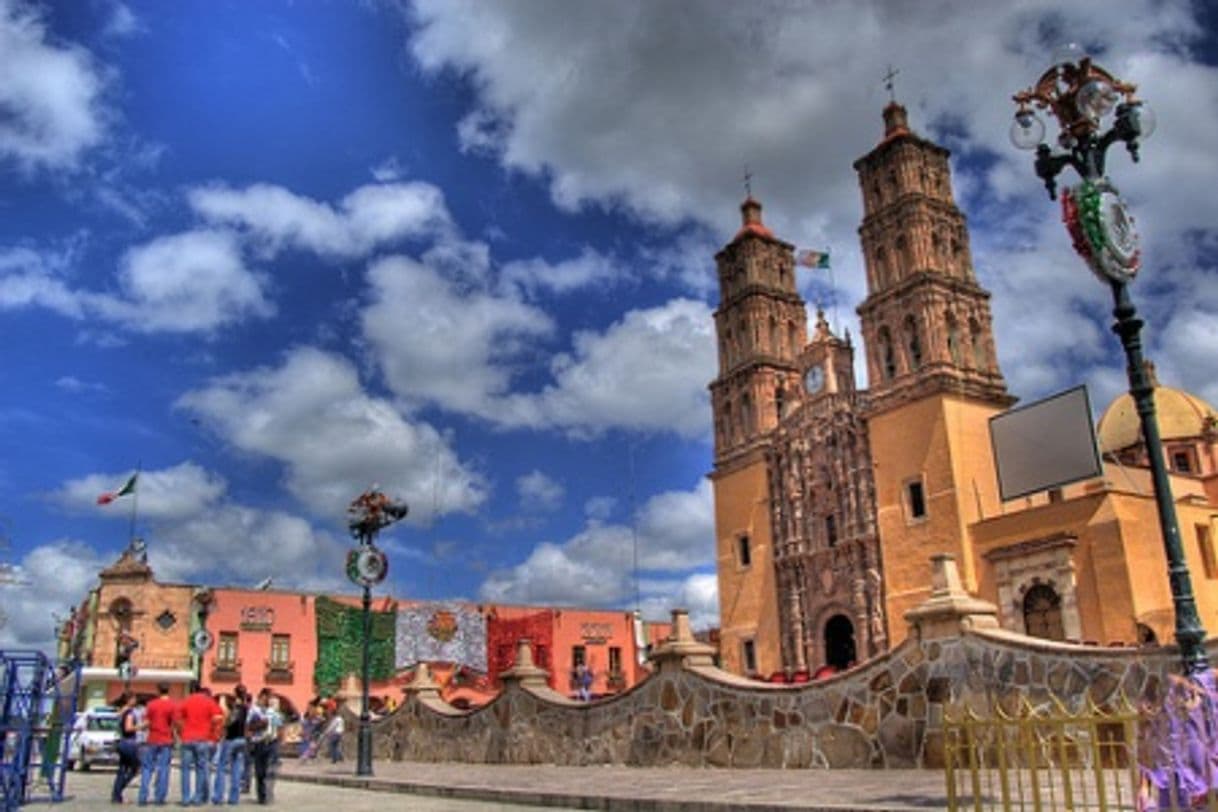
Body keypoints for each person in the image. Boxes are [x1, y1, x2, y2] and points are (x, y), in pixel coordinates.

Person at [175, 681, 222, 806]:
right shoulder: (209, 702)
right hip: (203, 738)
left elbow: (177, 719)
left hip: (187, 738)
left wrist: (181, 732)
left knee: (185, 769)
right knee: (201, 769)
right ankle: (198, 797)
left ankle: (185, 797)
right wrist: (211, 728)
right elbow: (218, 717)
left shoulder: (186, 701)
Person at [139, 682, 176, 806]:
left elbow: (146, 722)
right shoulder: (172, 705)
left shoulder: (151, 705)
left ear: (158, 691)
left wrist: (137, 728)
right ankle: (160, 797)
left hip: (152, 739)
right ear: (168, 690)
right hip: (166, 739)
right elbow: (175, 723)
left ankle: (143, 797)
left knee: (147, 768)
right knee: (163, 769)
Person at [212, 685, 248, 805]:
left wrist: (224, 721)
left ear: (235, 693)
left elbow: (231, 722)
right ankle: (234, 797)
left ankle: (218, 796)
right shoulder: (246, 707)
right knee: (237, 769)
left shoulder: (237, 707)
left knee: (221, 767)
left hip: (231, 739)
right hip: (242, 739)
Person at [246, 688, 282, 805]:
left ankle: (268, 795)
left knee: (271, 771)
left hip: (272, 743)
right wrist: (261, 724)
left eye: (272, 697)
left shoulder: (274, 712)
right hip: (259, 743)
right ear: (262, 696)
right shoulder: (254, 710)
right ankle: (261, 796)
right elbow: (248, 727)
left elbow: (280, 727)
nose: (271, 699)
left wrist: (280, 740)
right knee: (260, 772)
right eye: (269, 697)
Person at [110, 693, 139, 804]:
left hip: (121, 742)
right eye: (134, 698)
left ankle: (117, 796)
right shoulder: (129, 713)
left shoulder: (121, 711)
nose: (136, 700)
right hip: (129, 742)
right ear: (129, 700)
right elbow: (128, 728)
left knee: (122, 769)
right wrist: (142, 726)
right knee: (134, 768)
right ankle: (118, 791)